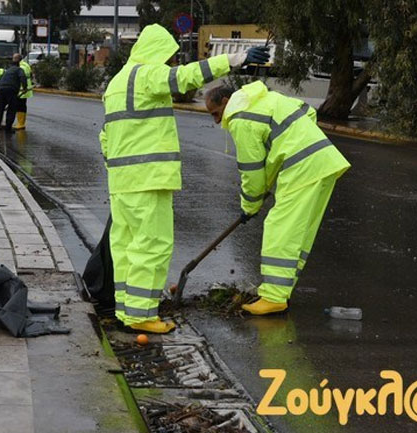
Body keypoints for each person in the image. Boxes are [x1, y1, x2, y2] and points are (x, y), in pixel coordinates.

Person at [99, 24, 269, 334]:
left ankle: (127, 309)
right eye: (168, 57)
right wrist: (235, 59)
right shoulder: (145, 74)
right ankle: (141, 315)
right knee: (152, 245)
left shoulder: (117, 83)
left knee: (124, 246)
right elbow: (185, 77)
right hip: (148, 178)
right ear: (156, 52)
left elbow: (106, 135)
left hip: (122, 180)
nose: (170, 62)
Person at [204, 82, 350, 315]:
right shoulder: (265, 99)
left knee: (279, 229)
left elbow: (252, 171)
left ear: (226, 102)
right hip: (323, 162)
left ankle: (273, 297)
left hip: (302, 169)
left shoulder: (240, 119)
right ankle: (282, 290)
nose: (216, 121)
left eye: (215, 113)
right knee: (298, 234)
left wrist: (250, 206)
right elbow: (307, 112)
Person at [0, 54, 27, 133]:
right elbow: (23, 77)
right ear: (20, 62)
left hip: (1, 90)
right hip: (11, 90)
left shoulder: (8, 70)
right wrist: (25, 88)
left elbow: (0, 80)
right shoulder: (19, 70)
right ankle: (8, 129)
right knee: (11, 109)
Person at [14, 54, 33, 130]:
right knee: (22, 105)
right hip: (26, 88)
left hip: (22, 89)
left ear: (17, 59)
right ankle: (21, 123)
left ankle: (21, 123)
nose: (13, 60)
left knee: (20, 106)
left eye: (14, 58)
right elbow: (31, 74)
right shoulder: (26, 65)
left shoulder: (21, 67)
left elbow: (21, 78)